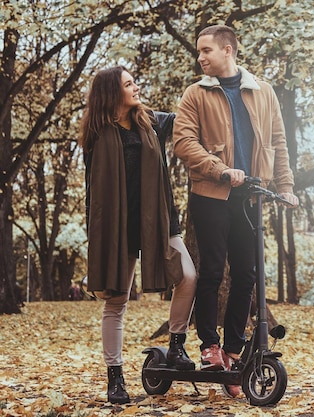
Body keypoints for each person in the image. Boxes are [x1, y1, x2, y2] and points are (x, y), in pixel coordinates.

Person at [173, 25, 298, 398]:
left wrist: (286, 187)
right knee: (212, 270)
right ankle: (209, 346)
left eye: (206, 50)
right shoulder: (195, 94)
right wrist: (219, 168)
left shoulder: (263, 92)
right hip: (211, 194)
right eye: (199, 51)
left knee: (248, 273)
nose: (201, 57)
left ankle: (233, 350)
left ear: (228, 50)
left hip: (251, 197)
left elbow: (279, 140)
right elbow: (183, 142)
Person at [78, 66, 198, 404]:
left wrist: (208, 87)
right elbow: (94, 191)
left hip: (159, 222)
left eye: (134, 82)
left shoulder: (153, 122)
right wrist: (98, 237)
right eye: (129, 83)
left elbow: (188, 117)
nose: (136, 86)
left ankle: (176, 345)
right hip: (118, 228)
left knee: (188, 276)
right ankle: (115, 377)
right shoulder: (98, 134)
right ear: (112, 94)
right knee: (116, 303)